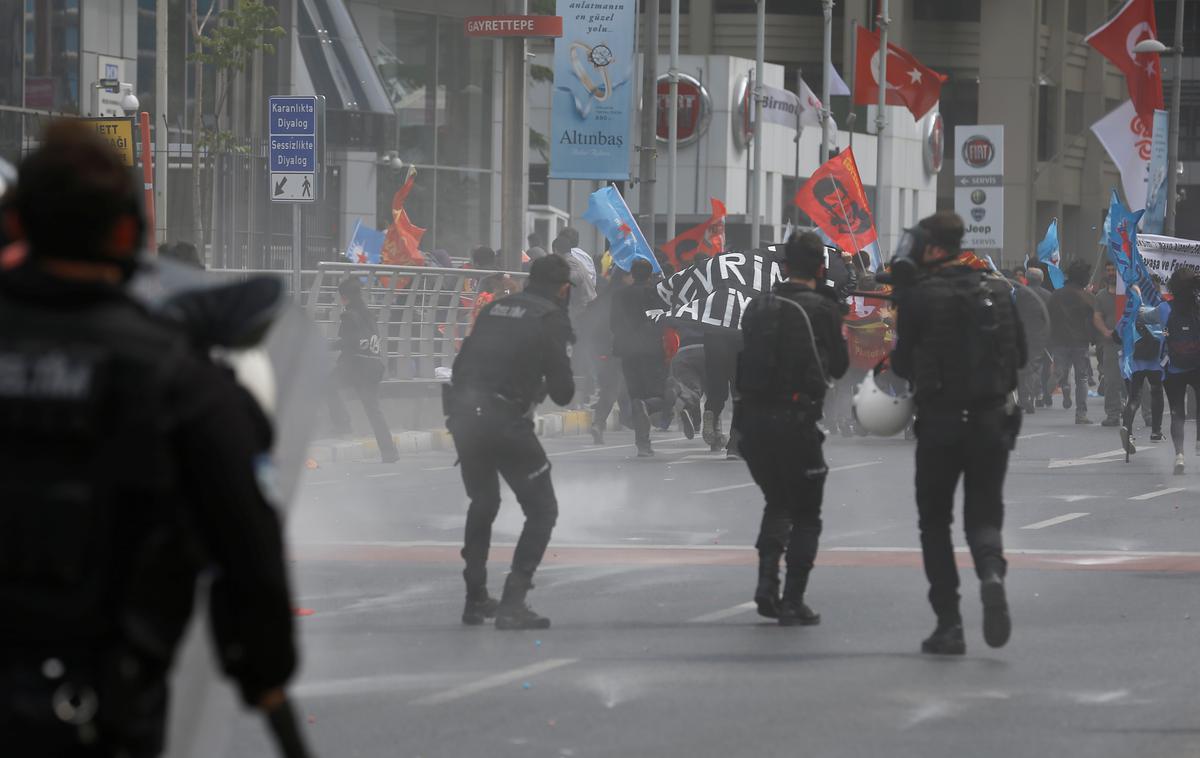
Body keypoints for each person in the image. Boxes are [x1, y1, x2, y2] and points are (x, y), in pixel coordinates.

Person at [0, 120, 296, 755]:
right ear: (131, 234)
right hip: (97, 711)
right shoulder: (179, 378)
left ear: (16, 224)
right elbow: (250, 552)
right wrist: (264, 674)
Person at [890, 211, 1026, 655]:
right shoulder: (999, 291)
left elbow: (902, 364)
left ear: (931, 248)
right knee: (985, 516)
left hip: (941, 423)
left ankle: (949, 623)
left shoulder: (920, 297)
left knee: (935, 522)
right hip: (991, 421)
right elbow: (1020, 356)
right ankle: (991, 573)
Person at [446, 254, 575, 629]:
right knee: (543, 509)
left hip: (464, 416)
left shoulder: (496, 309)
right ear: (563, 289)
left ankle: (475, 599)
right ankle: (513, 601)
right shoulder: (551, 318)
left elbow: (461, 364)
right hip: (504, 420)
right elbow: (564, 393)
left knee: (483, 502)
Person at [735, 232, 848, 626]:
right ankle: (792, 598)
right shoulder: (822, 308)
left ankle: (767, 584)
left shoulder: (757, 306)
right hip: (796, 421)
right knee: (806, 513)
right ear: (820, 268)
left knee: (777, 502)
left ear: (785, 267)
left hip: (752, 422)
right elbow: (838, 368)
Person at [328, 277, 399, 462]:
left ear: (345, 297)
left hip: (355, 368)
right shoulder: (369, 315)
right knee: (374, 411)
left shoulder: (349, 316)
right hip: (373, 367)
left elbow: (347, 342)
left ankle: (342, 424)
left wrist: (325, 346)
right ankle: (389, 452)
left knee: (327, 384)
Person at [611, 258, 672, 457]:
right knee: (661, 394)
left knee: (635, 394)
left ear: (632, 273)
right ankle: (648, 411)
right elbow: (665, 320)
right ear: (650, 275)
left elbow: (613, 323)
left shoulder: (620, 294)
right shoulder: (656, 294)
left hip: (627, 350)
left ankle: (642, 443)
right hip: (652, 350)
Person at [1156, 268, 1200, 475]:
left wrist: (1165, 332)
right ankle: (1199, 441)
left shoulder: (1164, 308)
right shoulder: (1198, 307)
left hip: (1173, 367)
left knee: (1177, 413)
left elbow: (1160, 330)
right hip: (1197, 365)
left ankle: (1179, 455)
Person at [1119, 291, 1166, 459]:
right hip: (1155, 361)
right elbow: (1166, 332)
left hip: (1135, 361)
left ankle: (1127, 428)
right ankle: (1156, 431)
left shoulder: (1130, 311)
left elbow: (1118, 335)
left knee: (1134, 397)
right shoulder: (1159, 310)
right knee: (1156, 392)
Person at [1048, 260, 1096, 424]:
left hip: (1059, 339)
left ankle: (1061, 380)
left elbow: (1049, 315)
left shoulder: (1056, 294)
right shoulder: (1087, 297)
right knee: (1081, 378)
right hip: (1080, 341)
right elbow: (1094, 319)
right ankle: (1081, 414)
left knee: (1062, 367)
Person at [1013, 267, 1050, 414]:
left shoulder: (1019, 293)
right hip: (1039, 336)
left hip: (1021, 335)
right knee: (1035, 367)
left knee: (1022, 367)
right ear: (1041, 279)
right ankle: (1032, 395)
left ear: (1027, 279)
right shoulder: (1047, 295)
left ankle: (1024, 397)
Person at [1093, 262, 1123, 425]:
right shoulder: (1101, 296)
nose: (1111, 273)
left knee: (1134, 381)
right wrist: (1105, 331)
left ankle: (1144, 414)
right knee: (1111, 381)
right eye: (1109, 270)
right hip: (1110, 344)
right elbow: (1097, 316)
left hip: (1129, 344)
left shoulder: (1130, 293)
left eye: (1114, 270)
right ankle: (1113, 414)